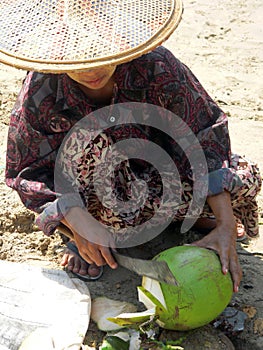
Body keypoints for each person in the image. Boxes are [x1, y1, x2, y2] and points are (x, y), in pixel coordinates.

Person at [1, 0, 261, 293]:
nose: (92, 70)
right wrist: (77, 221)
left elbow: (205, 133)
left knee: (242, 179)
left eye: (101, 54)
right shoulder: (42, 89)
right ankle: (82, 238)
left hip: (158, 180)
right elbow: (28, 170)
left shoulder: (156, 65)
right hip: (95, 201)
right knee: (90, 143)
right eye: (80, 60)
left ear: (118, 38)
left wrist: (225, 224)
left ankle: (196, 218)